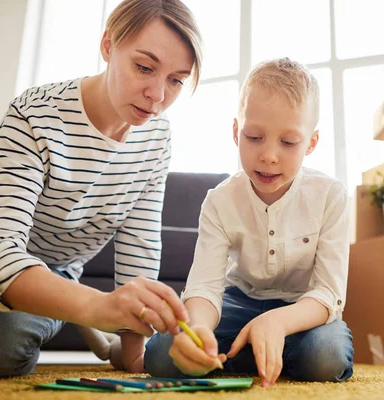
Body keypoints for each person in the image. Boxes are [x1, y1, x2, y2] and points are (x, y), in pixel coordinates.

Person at [0, 0, 202, 378]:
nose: (157, 95)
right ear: (108, 46)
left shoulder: (157, 137)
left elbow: (138, 250)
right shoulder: (35, 113)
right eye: (144, 67)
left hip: (51, 273)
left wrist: (133, 353)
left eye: (176, 80)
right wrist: (101, 307)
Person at [144, 58, 354, 386]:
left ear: (311, 143)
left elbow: (328, 292)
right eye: (254, 137)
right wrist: (199, 328)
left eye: (288, 142)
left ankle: (255, 348)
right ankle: (259, 350)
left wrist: (279, 322)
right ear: (235, 132)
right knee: (161, 353)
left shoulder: (331, 196)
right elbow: (205, 287)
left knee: (324, 357)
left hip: (301, 309)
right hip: (238, 301)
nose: (269, 155)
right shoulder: (219, 200)